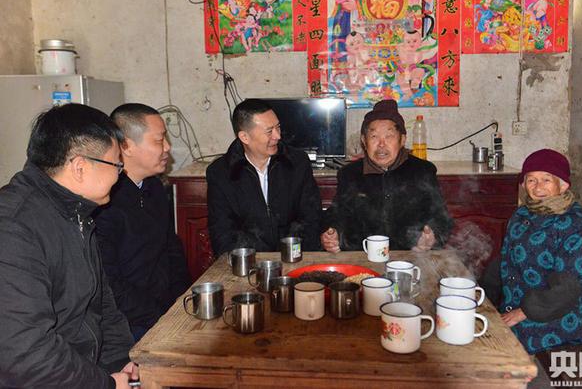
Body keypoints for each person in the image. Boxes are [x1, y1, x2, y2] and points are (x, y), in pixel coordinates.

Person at [0, 104, 137, 388]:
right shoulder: (13, 227)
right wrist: (106, 385)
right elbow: (25, 353)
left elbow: (101, 305)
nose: (120, 175)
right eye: (116, 165)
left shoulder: (76, 212)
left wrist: (120, 362)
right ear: (80, 167)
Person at [480, 149, 582, 354]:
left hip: (552, 319)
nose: (538, 187)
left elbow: (568, 288)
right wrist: (483, 295)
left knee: (492, 351)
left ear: (563, 185)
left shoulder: (577, 227)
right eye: (531, 180)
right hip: (513, 306)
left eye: (546, 180)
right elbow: (505, 259)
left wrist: (523, 312)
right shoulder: (523, 213)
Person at [95, 103, 191, 341]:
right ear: (126, 146)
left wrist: (182, 300)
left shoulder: (154, 186)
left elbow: (171, 248)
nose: (167, 147)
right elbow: (109, 283)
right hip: (130, 324)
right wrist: (158, 316)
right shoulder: (105, 201)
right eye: (159, 140)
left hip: (166, 311)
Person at [321, 99, 453, 252]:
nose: (381, 144)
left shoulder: (422, 171)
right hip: (362, 257)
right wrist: (333, 235)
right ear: (364, 141)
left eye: (389, 136)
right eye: (374, 136)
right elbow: (337, 215)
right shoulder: (350, 174)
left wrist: (432, 238)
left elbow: (441, 219)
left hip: (411, 257)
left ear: (402, 140)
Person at [206, 99, 322, 256]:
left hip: (294, 256)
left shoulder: (297, 162)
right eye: (269, 131)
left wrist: (293, 255)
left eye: (278, 127)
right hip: (248, 262)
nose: (277, 136)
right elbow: (222, 232)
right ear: (245, 137)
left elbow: (311, 218)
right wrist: (259, 261)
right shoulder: (221, 173)